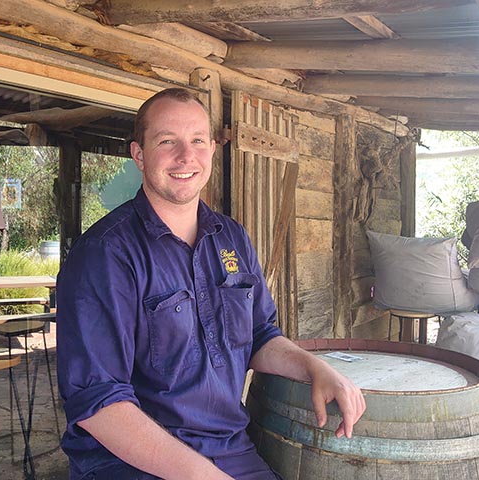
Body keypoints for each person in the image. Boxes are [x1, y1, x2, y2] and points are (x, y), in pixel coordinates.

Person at [56, 88, 366, 480]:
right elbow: (99, 403)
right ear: (139, 154)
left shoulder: (231, 237)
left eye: (198, 141)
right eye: (167, 141)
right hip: (129, 462)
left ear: (212, 150)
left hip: (229, 449)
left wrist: (314, 368)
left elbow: (260, 334)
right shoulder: (104, 254)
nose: (186, 157)